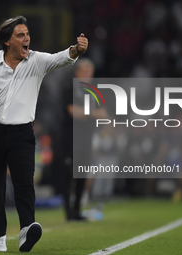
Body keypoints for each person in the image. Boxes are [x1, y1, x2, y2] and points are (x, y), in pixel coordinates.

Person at [0, 16, 88, 252]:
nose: (26, 38)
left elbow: (61, 58)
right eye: (20, 35)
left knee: (24, 184)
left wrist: (75, 50)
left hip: (22, 134)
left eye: (27, 34)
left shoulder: (37, 60)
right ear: (8, 41)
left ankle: (26, 230)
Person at [62, 58, 108, 221]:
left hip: (86, 138)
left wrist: (85, 113)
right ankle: (68, 210)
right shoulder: (70, 89)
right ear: (77, 73)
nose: (88, 74)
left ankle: (77, 209)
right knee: (69, 174)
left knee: (81, 174)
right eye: (84, 71)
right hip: (71, 138)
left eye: (90, 71)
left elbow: (103, 114)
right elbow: (73, 111)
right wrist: (91, 113)